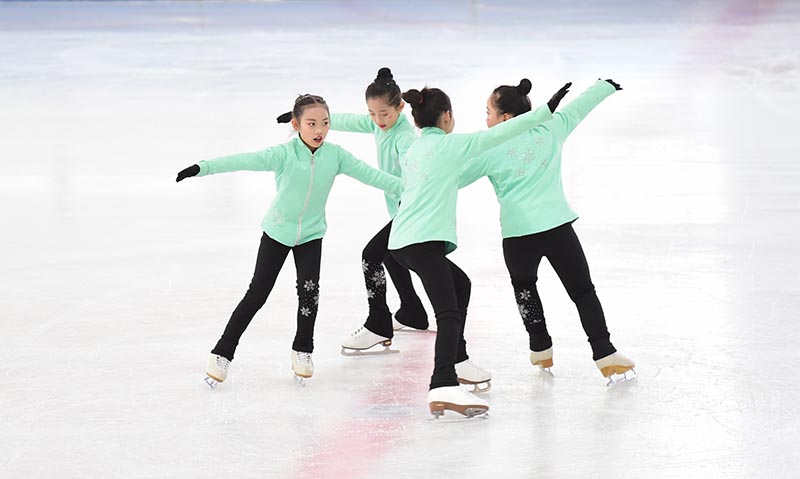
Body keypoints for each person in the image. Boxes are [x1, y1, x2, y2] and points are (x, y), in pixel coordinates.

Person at [176, 94, 403, 388]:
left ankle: (303, 350)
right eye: (311, 124)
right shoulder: (283, 154)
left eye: (325, 123)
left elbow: (375, 176)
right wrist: (202, 167)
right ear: (296, 125)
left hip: (311, 235)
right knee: (257, 294)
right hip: (277, 233)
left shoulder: (336, 155)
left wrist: (412, 189)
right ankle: (222, 352)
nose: (319, 130)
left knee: (309, 295)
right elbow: (243, 160)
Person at [386, 83, 565, 417]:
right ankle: (443, 383)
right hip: (422, 244)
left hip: (400, 243)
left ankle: (458, 358)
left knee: (460, 284)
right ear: (448, 117)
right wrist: (545, 111)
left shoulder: (412, 149)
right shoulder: (454, 145)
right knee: (448, 312)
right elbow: (503, 133)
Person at [458, 78, 636, 386]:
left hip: (517, 236)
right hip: (557, 229)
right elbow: (578, 108)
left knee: (524, 288)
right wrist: (604, 86)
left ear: (505, 118)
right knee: (583, 292)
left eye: (488, 112)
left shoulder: (488, 147)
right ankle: (604, 352)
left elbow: (455, 178)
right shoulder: (550, 129)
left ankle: (540, 346)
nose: (485, 118)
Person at [279, 68, 429, 356]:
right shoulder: (377, 124)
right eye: (372, 114)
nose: (378, 121)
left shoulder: (404, 138)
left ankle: (379, 324)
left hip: (409, 208)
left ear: (400, 107)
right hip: (401, 208)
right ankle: (412, 310)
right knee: (393, 255)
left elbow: (416, 168)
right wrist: (305, 120)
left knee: (371, 256)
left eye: (384, 114)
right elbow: (347, 121)